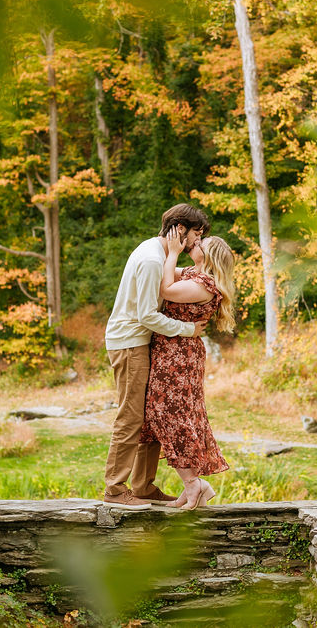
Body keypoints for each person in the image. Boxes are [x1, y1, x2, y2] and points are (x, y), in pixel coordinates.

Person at [102, 204, 210, 509]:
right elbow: (147, 315)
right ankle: (114, 489)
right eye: (196, 234)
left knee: (147, 416)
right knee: (131, 416)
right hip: (129, 344)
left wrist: (194, 269)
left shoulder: (156, 250)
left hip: (139, 341)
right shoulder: (151, 259)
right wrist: (188, 330)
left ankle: (143, 487)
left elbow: (172, 274)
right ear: (180, 229)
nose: (198, 241)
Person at [140, 231, 236, 509]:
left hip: (179, 356)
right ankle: (193, 485)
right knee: (170, 414)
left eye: (201, 243)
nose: (195, 243)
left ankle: (193, 483)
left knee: (170, 415)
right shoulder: (194, 274)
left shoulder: (205, 285)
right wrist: (166, 251)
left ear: (209, 256)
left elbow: (166, 290)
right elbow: (162, 271)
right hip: (170, 351)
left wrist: (172, 253)